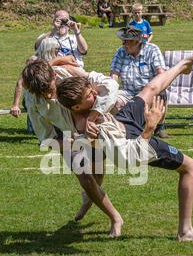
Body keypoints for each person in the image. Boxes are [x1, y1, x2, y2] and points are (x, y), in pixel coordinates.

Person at [57, 50, 193, 242]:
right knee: (189, 166)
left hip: (123, 120)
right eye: (89, 95)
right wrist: (150, 127)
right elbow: (127, 159)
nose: (95, 93)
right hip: (132, 140)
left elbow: (107, 85)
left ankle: (183, 65)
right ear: (76, 107)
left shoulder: (85, 108)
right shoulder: (92, 129)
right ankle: (185, 231)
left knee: (149, 89)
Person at [20, 58, 124, 237]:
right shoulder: (32, 99)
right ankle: (115, 218)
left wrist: (92, 116)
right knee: (85, 177)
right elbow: (46, 139)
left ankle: (88, 199)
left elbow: (111, 85)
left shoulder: (69, 72)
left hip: (92, 124)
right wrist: (72, 141)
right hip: (67, 136)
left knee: (97, 174)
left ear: (53, 74)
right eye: (42, 94)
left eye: (50, 90)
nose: (48, 96)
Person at [110, 26, 170, 139]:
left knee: (161, 93)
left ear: (137, 42)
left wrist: (152, 89)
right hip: (127, 92)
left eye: (127, 42)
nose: (124, 44)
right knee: (113, 100)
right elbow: (114, 74)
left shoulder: (152, 50)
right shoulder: (120, 52)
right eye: (123, 41)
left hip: (148, 92)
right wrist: (111, 90)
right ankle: (128, 128)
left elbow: (161, 74)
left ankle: (159, 127)